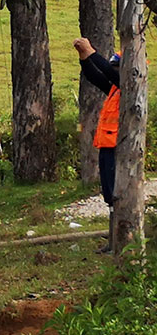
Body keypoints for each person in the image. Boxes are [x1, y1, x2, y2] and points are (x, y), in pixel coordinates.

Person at [74, 37, 121, 253]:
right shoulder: (115, 90)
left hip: (120, 149)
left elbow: (109, 74)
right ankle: (113, 242)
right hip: (107, 146)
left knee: (118, 195)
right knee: (110, 195)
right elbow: (95, 76)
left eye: (116, 68)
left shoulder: (129, 87)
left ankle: (119, 242)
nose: (113, 71)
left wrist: (92, 51)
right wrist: (84, 58)